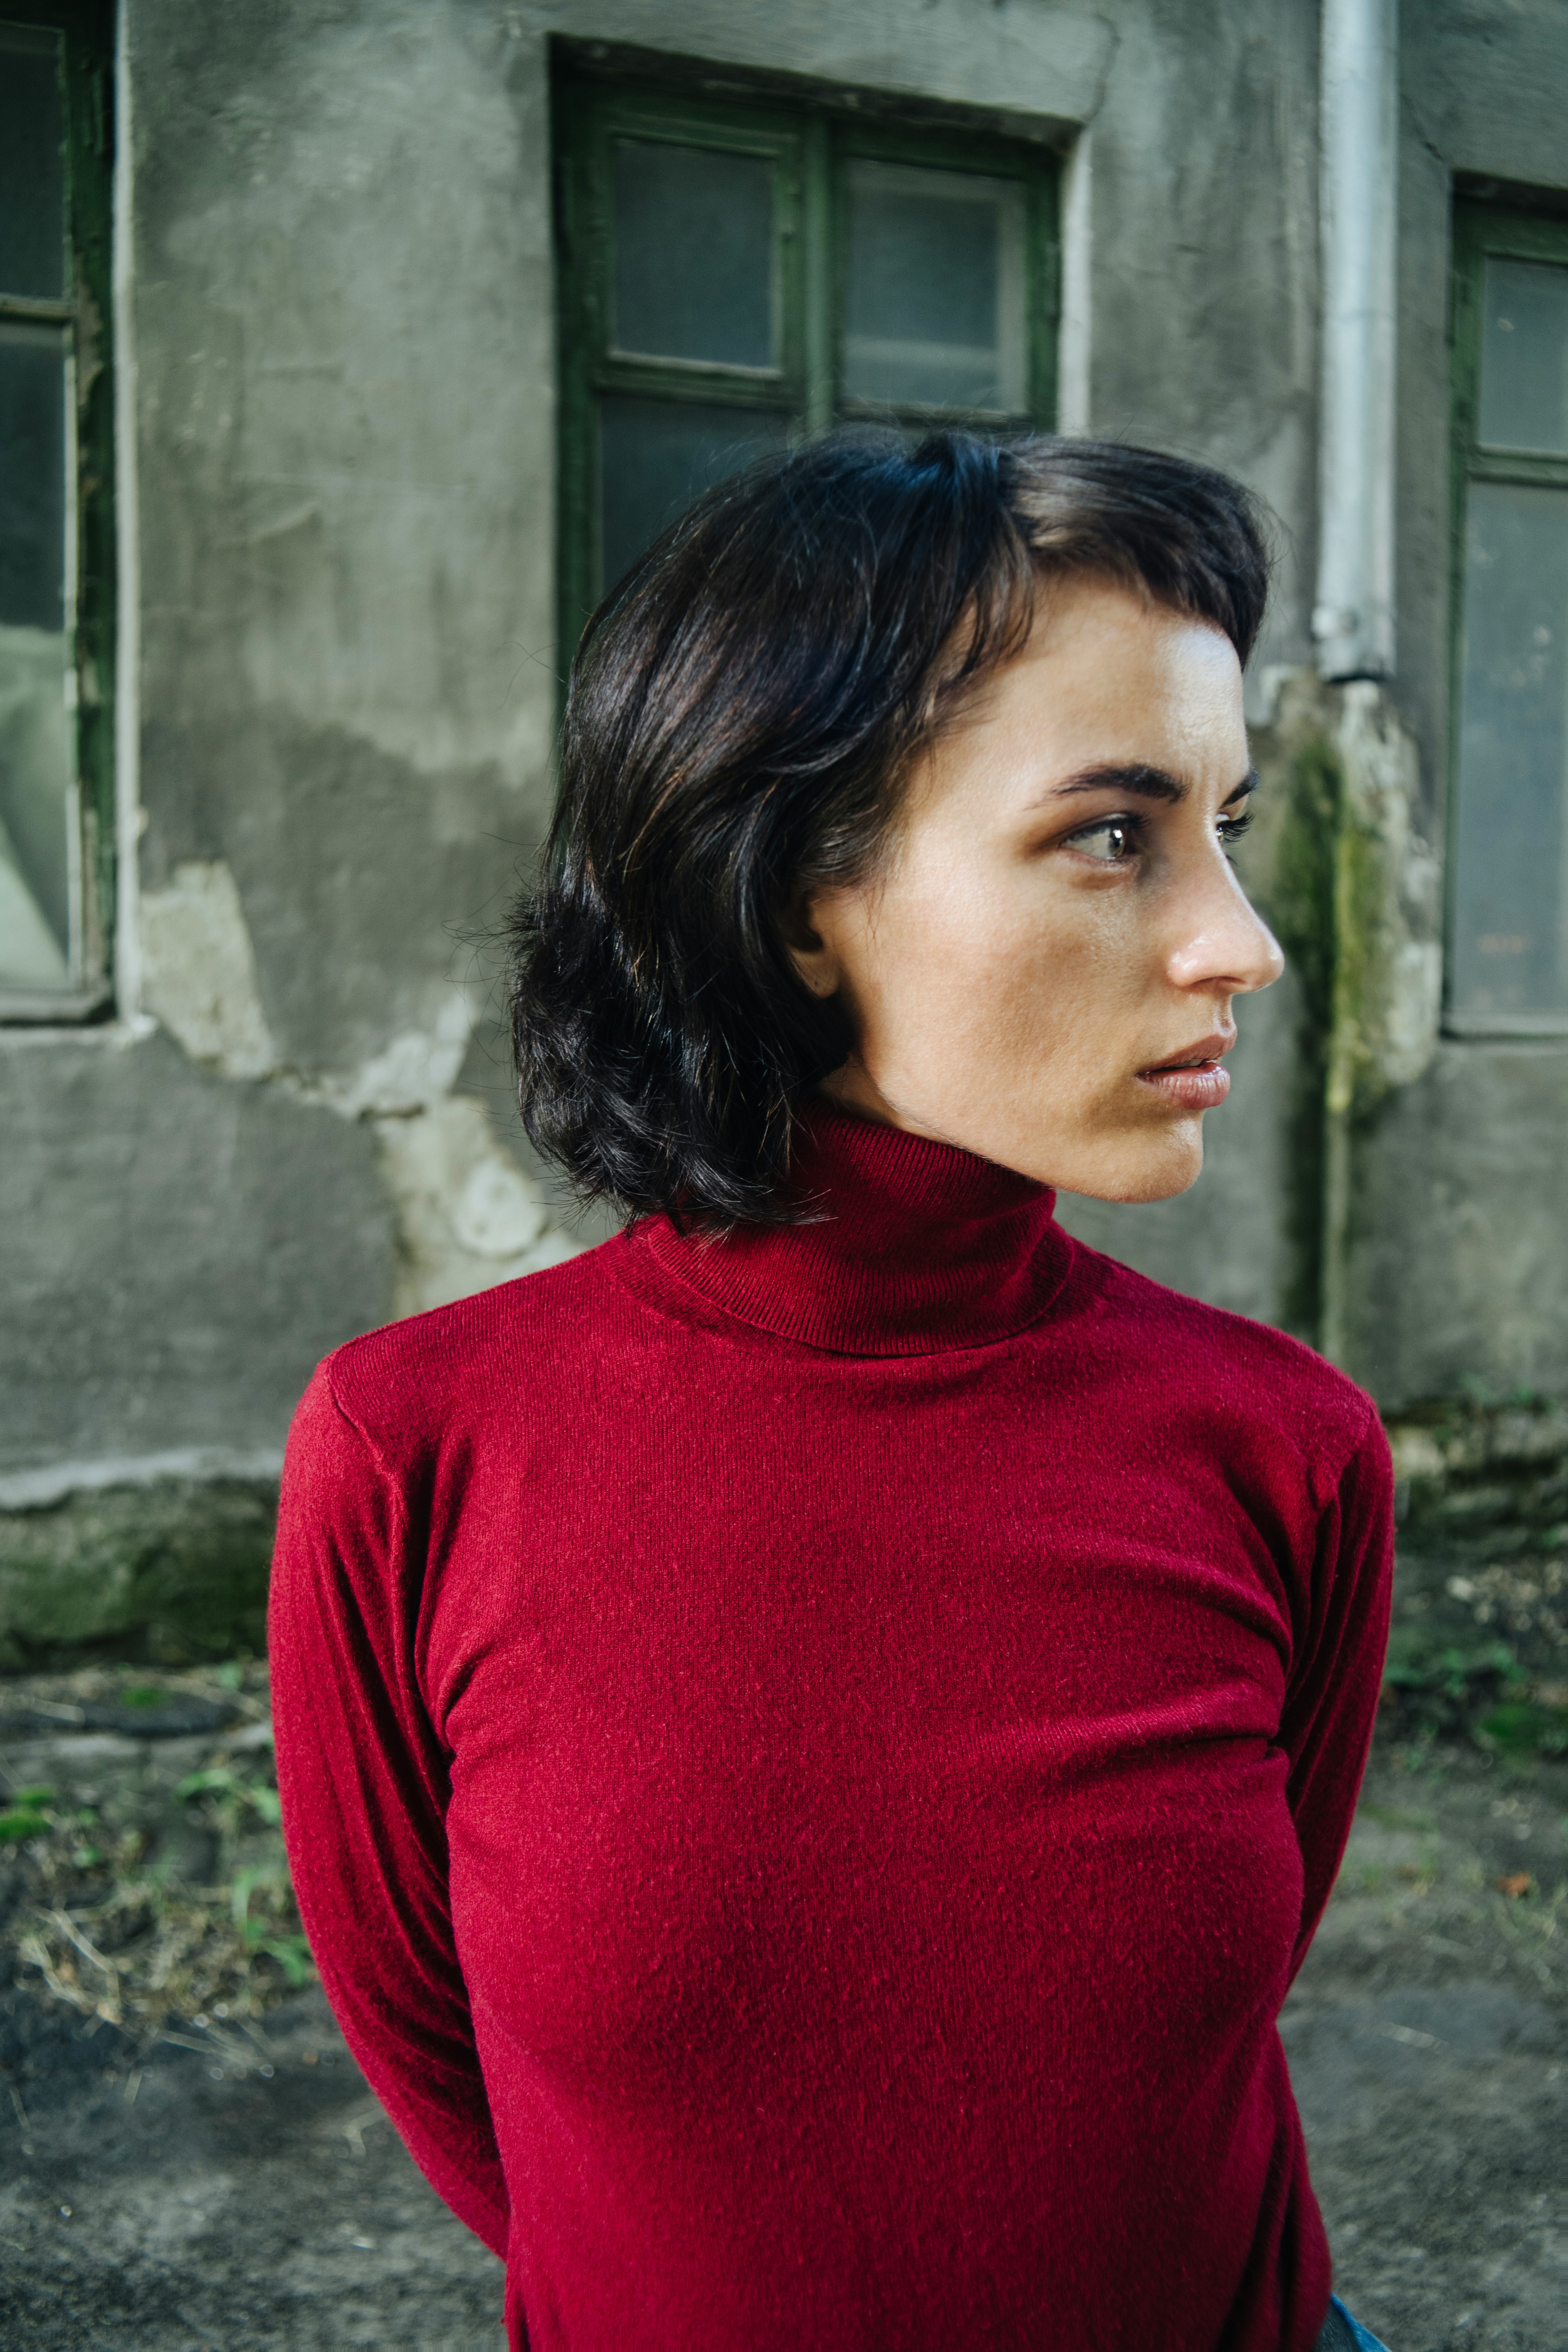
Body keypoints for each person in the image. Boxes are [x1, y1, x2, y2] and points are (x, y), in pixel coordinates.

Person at [270, 432, 1395, 2352]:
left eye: (1227, 826)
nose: (1243, 943)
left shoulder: (1284, 1446)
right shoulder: (418, 1452)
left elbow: (1193, 2036)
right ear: (796, 893)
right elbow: (454, 2072)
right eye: (1113, 834)